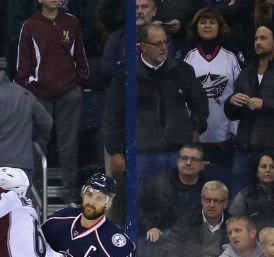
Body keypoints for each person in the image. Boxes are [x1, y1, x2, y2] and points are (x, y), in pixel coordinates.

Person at [104, 24, 209, 187]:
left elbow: (200, 103)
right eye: (158, 44)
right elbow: (112, 116)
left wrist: (195, 130)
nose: (164, 47)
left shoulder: (183, 71)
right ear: (143, 47)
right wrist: (115, 152)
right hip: (140, 154)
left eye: (165, 42)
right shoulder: (124, 76)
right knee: (142, 206)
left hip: (177, 151)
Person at [0, 52, 52, 241]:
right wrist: (32, 143)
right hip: (23, 167)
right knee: (20, 218)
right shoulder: (24, 94)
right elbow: (46, 122)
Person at [16, 0, 89, 203]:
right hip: (39, 92)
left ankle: (70, 191)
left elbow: (81, 55)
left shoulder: (72, 22)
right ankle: (36, 191)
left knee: (69, 145)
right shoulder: (30, 25)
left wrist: (78, 82)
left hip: (68, 91)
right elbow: (23, 60)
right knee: (38, 143)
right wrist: (25, 88)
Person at [225, 25, 274, 198]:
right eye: (256, 39)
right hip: (245, 148)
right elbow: (232, 114)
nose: (258, 42)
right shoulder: (247, 72)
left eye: (263, 38)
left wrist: (265, 104)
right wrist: (232, 102)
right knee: (239, 199)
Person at [182, 7, 243, 186]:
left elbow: (240, 91)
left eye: (212, 22)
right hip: (195, 136)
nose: (207, 25)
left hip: (225, 134)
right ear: (196, 26)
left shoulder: (231, 55)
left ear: (220, 26)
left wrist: (235, 128)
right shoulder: (187, 55)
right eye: (203, 22)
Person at [155, 180, 230, 257]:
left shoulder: (233, 225)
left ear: (225, 203)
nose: (211, 205)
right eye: (207, 200)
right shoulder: (186, 222)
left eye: (216, 201)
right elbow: (169, 255)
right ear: (201, 200)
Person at [228, 152, 274, 217]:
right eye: (263, 166)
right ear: (256, 172)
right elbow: (232, 221)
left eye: (272, 167)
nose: (268, 170)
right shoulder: (245, 196)